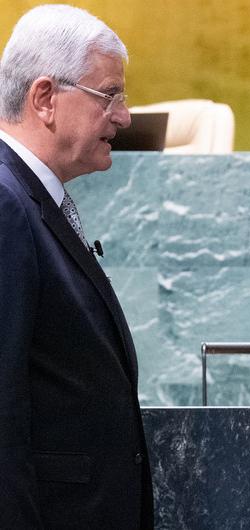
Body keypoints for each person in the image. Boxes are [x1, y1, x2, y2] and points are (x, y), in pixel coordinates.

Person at [0, 5, 153, 528]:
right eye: (109, 95)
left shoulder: (30, 198)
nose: (124, 116)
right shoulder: (6, 204)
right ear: (45, 98)